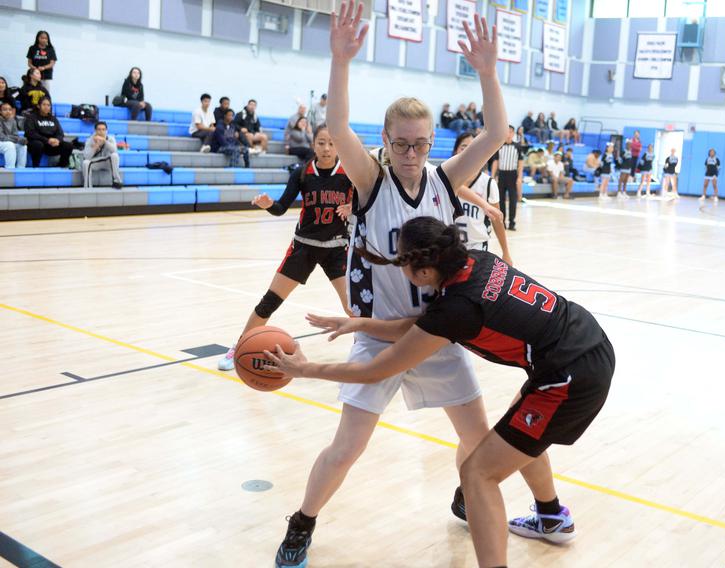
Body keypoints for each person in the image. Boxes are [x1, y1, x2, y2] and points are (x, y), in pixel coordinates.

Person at [269, 6, 510, 568]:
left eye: (420, 143)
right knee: (347, 447)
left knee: (477, 439)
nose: (410, 153)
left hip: (434, 336)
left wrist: (487, 72)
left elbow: (498, 133)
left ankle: (464, 494)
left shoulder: (446, 179)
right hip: (379, 338)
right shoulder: (371, 178)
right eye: (401, 143)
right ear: (386, 139)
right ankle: (302, 523)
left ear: (431, 142)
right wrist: (339, 60)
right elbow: (340, 126)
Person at [265, 216, 615, 568]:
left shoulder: (458, 308)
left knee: (478, 473)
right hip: (585, 341)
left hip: (570, 376)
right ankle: (552, 518)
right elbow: (425, 326)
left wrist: (304, 369)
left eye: (402, 262)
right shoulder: (479, 261)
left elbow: (376, 370)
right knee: (517, 431)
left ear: (424, 273)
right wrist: (362, 324)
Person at [217, 124, 354, 371]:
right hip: (304, 247)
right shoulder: (301, 174)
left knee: (353, 306)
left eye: (332, 143)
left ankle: (374, 348)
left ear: (338, 146)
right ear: (313, 145)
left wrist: (352, 209)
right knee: (270, 301)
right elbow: (281, 208)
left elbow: (368, 205)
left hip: (337, 249)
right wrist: (269, 204)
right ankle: (239, 347)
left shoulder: (350, 175)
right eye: (321, 142)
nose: (326, 148)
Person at [452, 132, 513, 263]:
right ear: (456, 150)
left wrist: (505, 252)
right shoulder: (446, 178)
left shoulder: (488, 183)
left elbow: (497, 220)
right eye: (463, 147)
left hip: (477, 248)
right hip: (450, 248)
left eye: (473, 147)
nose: (468, 151)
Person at [491, 125, 523, 231]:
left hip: (512, 175)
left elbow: (520, 163)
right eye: (507, 132)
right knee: (501, 200)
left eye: (510, 132)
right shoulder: (499, 146)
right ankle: (502, 222)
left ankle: (512, 222)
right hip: (502, 175)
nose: (508, 134)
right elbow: (496, 161)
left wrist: (519, 177)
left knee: (513, 200)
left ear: (513, 134)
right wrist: (492, 176)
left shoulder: (518, 147)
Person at [24, 96, 72, 168]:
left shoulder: (53, 118)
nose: (46, 107)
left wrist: (57, 140)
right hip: (36, 143)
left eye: (48, 105)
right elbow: (30, 133)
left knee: (68, 145)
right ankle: (35, 167)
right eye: (44, 104)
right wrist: (47, 140)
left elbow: (60, 133)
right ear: (38, 106)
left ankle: (62, 166)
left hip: (51, 145)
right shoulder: (31, 117)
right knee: (38, 145)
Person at [82, 121, 123, 188]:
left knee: (114, 155)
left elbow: (114, 151)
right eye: (99, 129)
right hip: (96, 162)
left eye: (103, 129)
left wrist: (105, 141)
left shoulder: (111, 138)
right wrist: (95, 146)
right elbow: (86, 157)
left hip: (108, 162)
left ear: (106, 130)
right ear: (95, 131)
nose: (101, 132)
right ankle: (88, 187)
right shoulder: (90, 140)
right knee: (85, 163)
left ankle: (116, 181)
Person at [0, 102, 28, 168]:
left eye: (10, 109)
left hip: (8, 141)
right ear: (0, 112)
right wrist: (17, 139)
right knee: (10, 145)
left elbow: (15, 135)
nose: (8, 111)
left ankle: (20, 169)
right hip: (2, 141)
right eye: (5, 109)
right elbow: (2, 137)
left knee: (23, 146)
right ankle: (10, 169)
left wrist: (21, 140)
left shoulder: (12, 121)